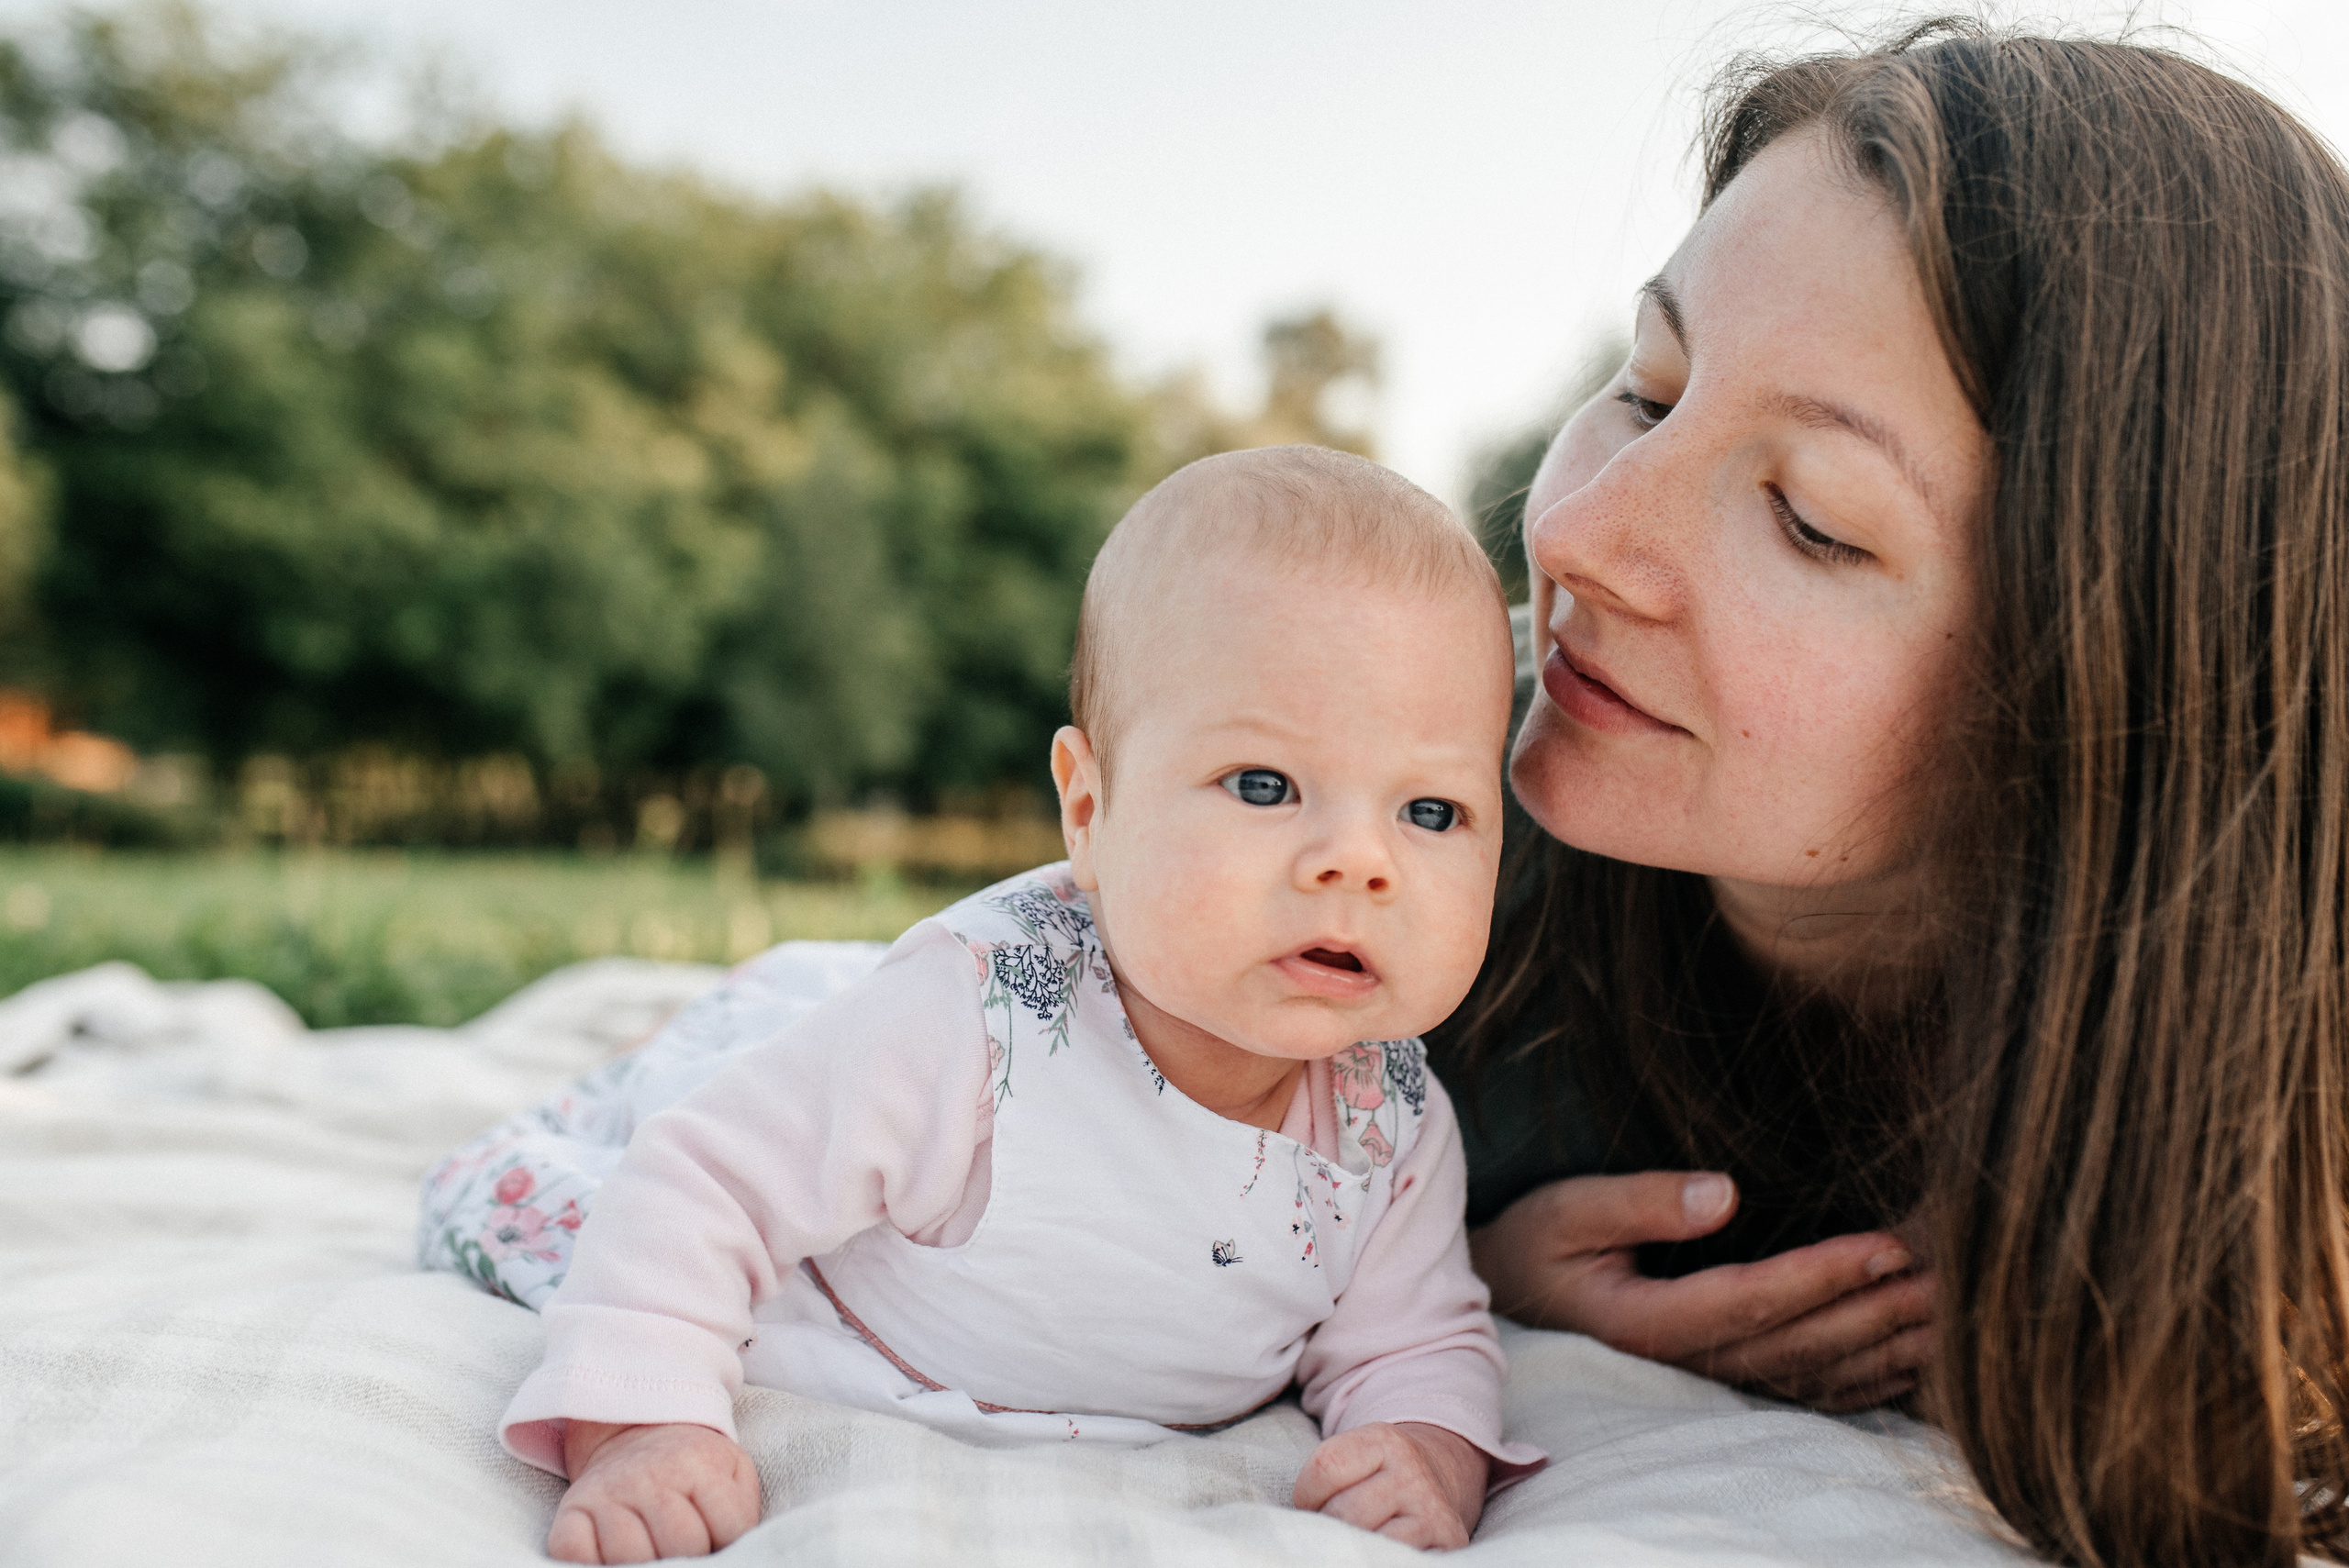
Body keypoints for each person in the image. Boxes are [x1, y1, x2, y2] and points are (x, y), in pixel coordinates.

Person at [1434, 23, 2349, 1567]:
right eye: (1649, 393)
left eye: (1810, 521)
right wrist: (1453, 1275)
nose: (1578, 530)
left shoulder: (2281, 1111)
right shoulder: (1402, 816)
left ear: (2100, 689)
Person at [452, 445, 1542, 1562]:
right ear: (1088, 808)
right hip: (847, 1257)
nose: (1358, 862)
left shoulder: (1389, 1121)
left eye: (1432, 811)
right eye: (1264, 785)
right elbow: (702, 1186)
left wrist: (1426, 1446)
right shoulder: (980, 1027)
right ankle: (706, 1025)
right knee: (701, 1088)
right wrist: (642, 1427)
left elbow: (1416, 1337)